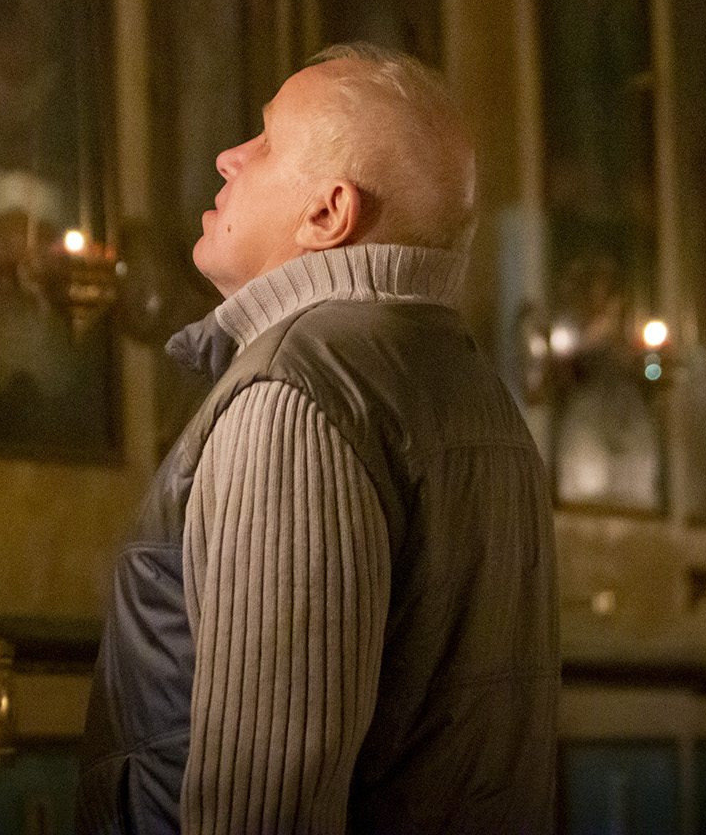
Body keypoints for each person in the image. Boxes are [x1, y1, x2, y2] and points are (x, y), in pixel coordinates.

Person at [80, 45, 559, 834]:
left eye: (267, 141)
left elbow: (266, 804)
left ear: (328, 214)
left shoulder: (297, 398)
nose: (230, 156)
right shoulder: (479, 394)